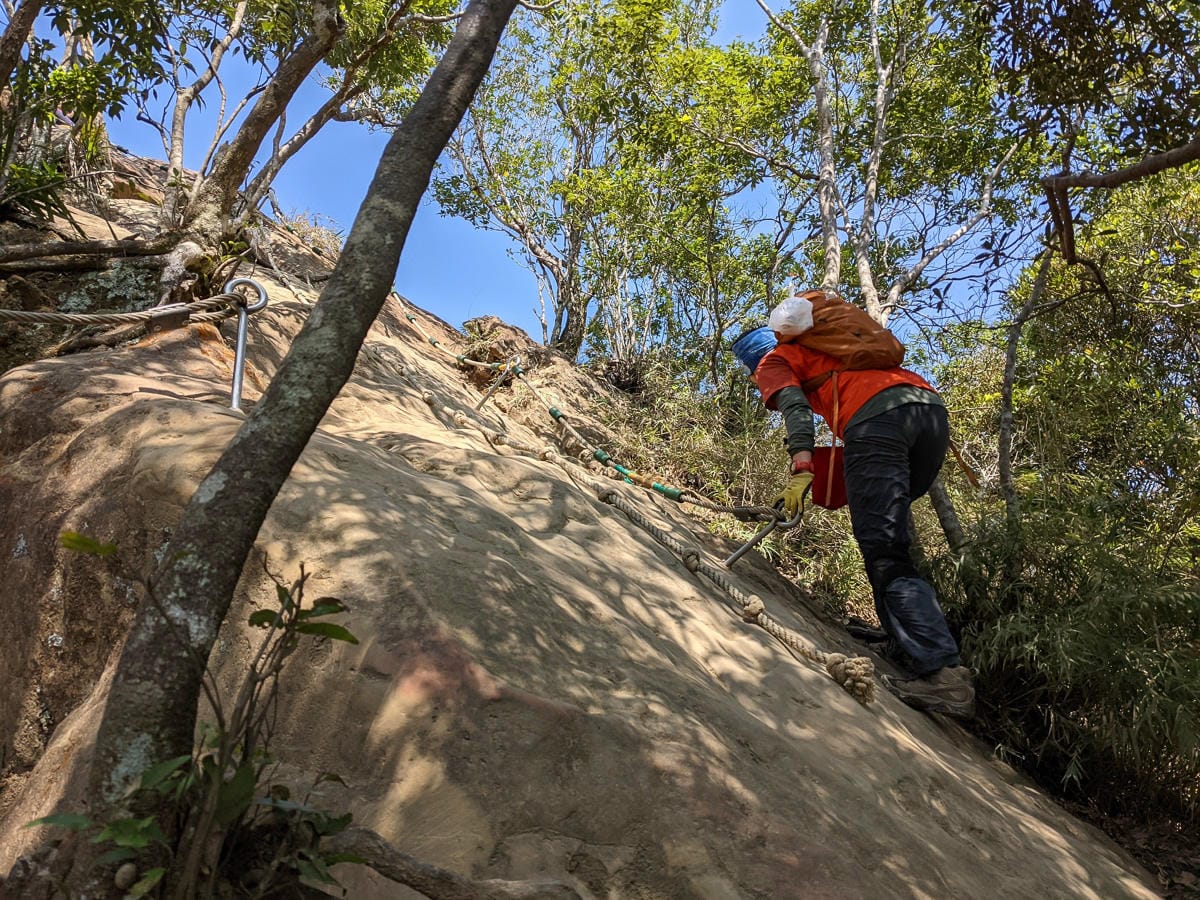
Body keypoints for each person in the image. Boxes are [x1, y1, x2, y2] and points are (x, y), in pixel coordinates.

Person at [730, 295, 974, 718]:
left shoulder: (776, 360)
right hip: (928, 410)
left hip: (876, 419)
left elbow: (794, 408)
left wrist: (802, 466)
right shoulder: (829, 348)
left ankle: (944, 675)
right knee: (890, 532)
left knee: (884, 546)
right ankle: (903, 638)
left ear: (754, 363)